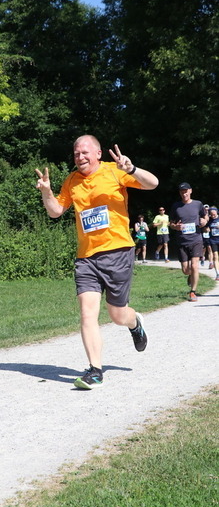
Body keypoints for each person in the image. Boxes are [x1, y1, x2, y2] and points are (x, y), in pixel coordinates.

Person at [35, 135, 159, 389]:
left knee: (117, 315)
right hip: (86, 257)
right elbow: (55, 211)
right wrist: (46, 192)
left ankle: (134, 323)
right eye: (76, 153)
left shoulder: (115, 171)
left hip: (117, 252)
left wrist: (132, 169)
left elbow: (153, 183)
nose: (80, 157)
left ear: (98, 153)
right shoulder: (72, 180)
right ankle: (95, 370)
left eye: (85, 152)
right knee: (87, 312)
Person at [169, 182, 208, 302]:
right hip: (182, 240)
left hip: (196, 239)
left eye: (186, 191)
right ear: (179, 193)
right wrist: (176, 227)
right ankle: (191, 275)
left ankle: (193, 292)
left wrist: (204, 221)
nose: (184, 194)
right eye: (182, 192)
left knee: (195, 266)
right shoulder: (176, 206)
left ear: (190, 191)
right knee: (186, 270)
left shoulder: (198, 204)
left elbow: (205, 216)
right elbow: (171, 223)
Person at [207, 206, 219, 281]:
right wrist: (206, 229)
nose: (213, 216)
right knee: (215, 256)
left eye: (214, 214)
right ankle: (218, 274)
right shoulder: (209, 220)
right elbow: (204, 228)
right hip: (213, 240)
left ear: (217, 212)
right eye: (211, 214)